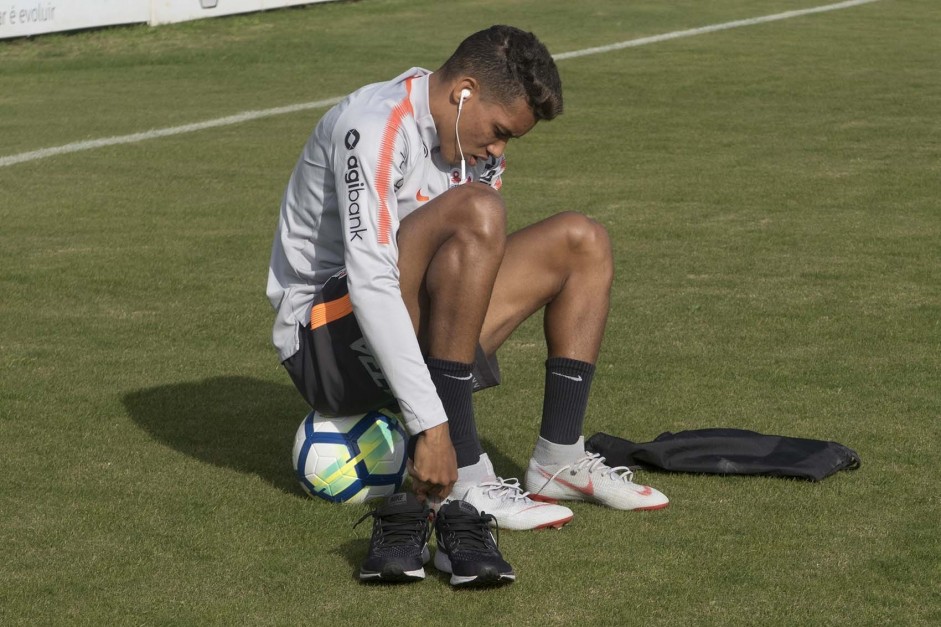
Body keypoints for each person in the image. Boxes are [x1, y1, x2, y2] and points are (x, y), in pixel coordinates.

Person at [267, 26, 668, 580]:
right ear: (464, 92)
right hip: (324, 344)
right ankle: (468, 477)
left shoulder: (471, 146)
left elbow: (470, 273)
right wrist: (434, 429)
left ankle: (560, 460)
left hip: (409, 327)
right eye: (499, 132)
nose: (498, 150)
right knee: (477, 210)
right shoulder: (374, 125)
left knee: (583, 240)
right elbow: (370, 281)